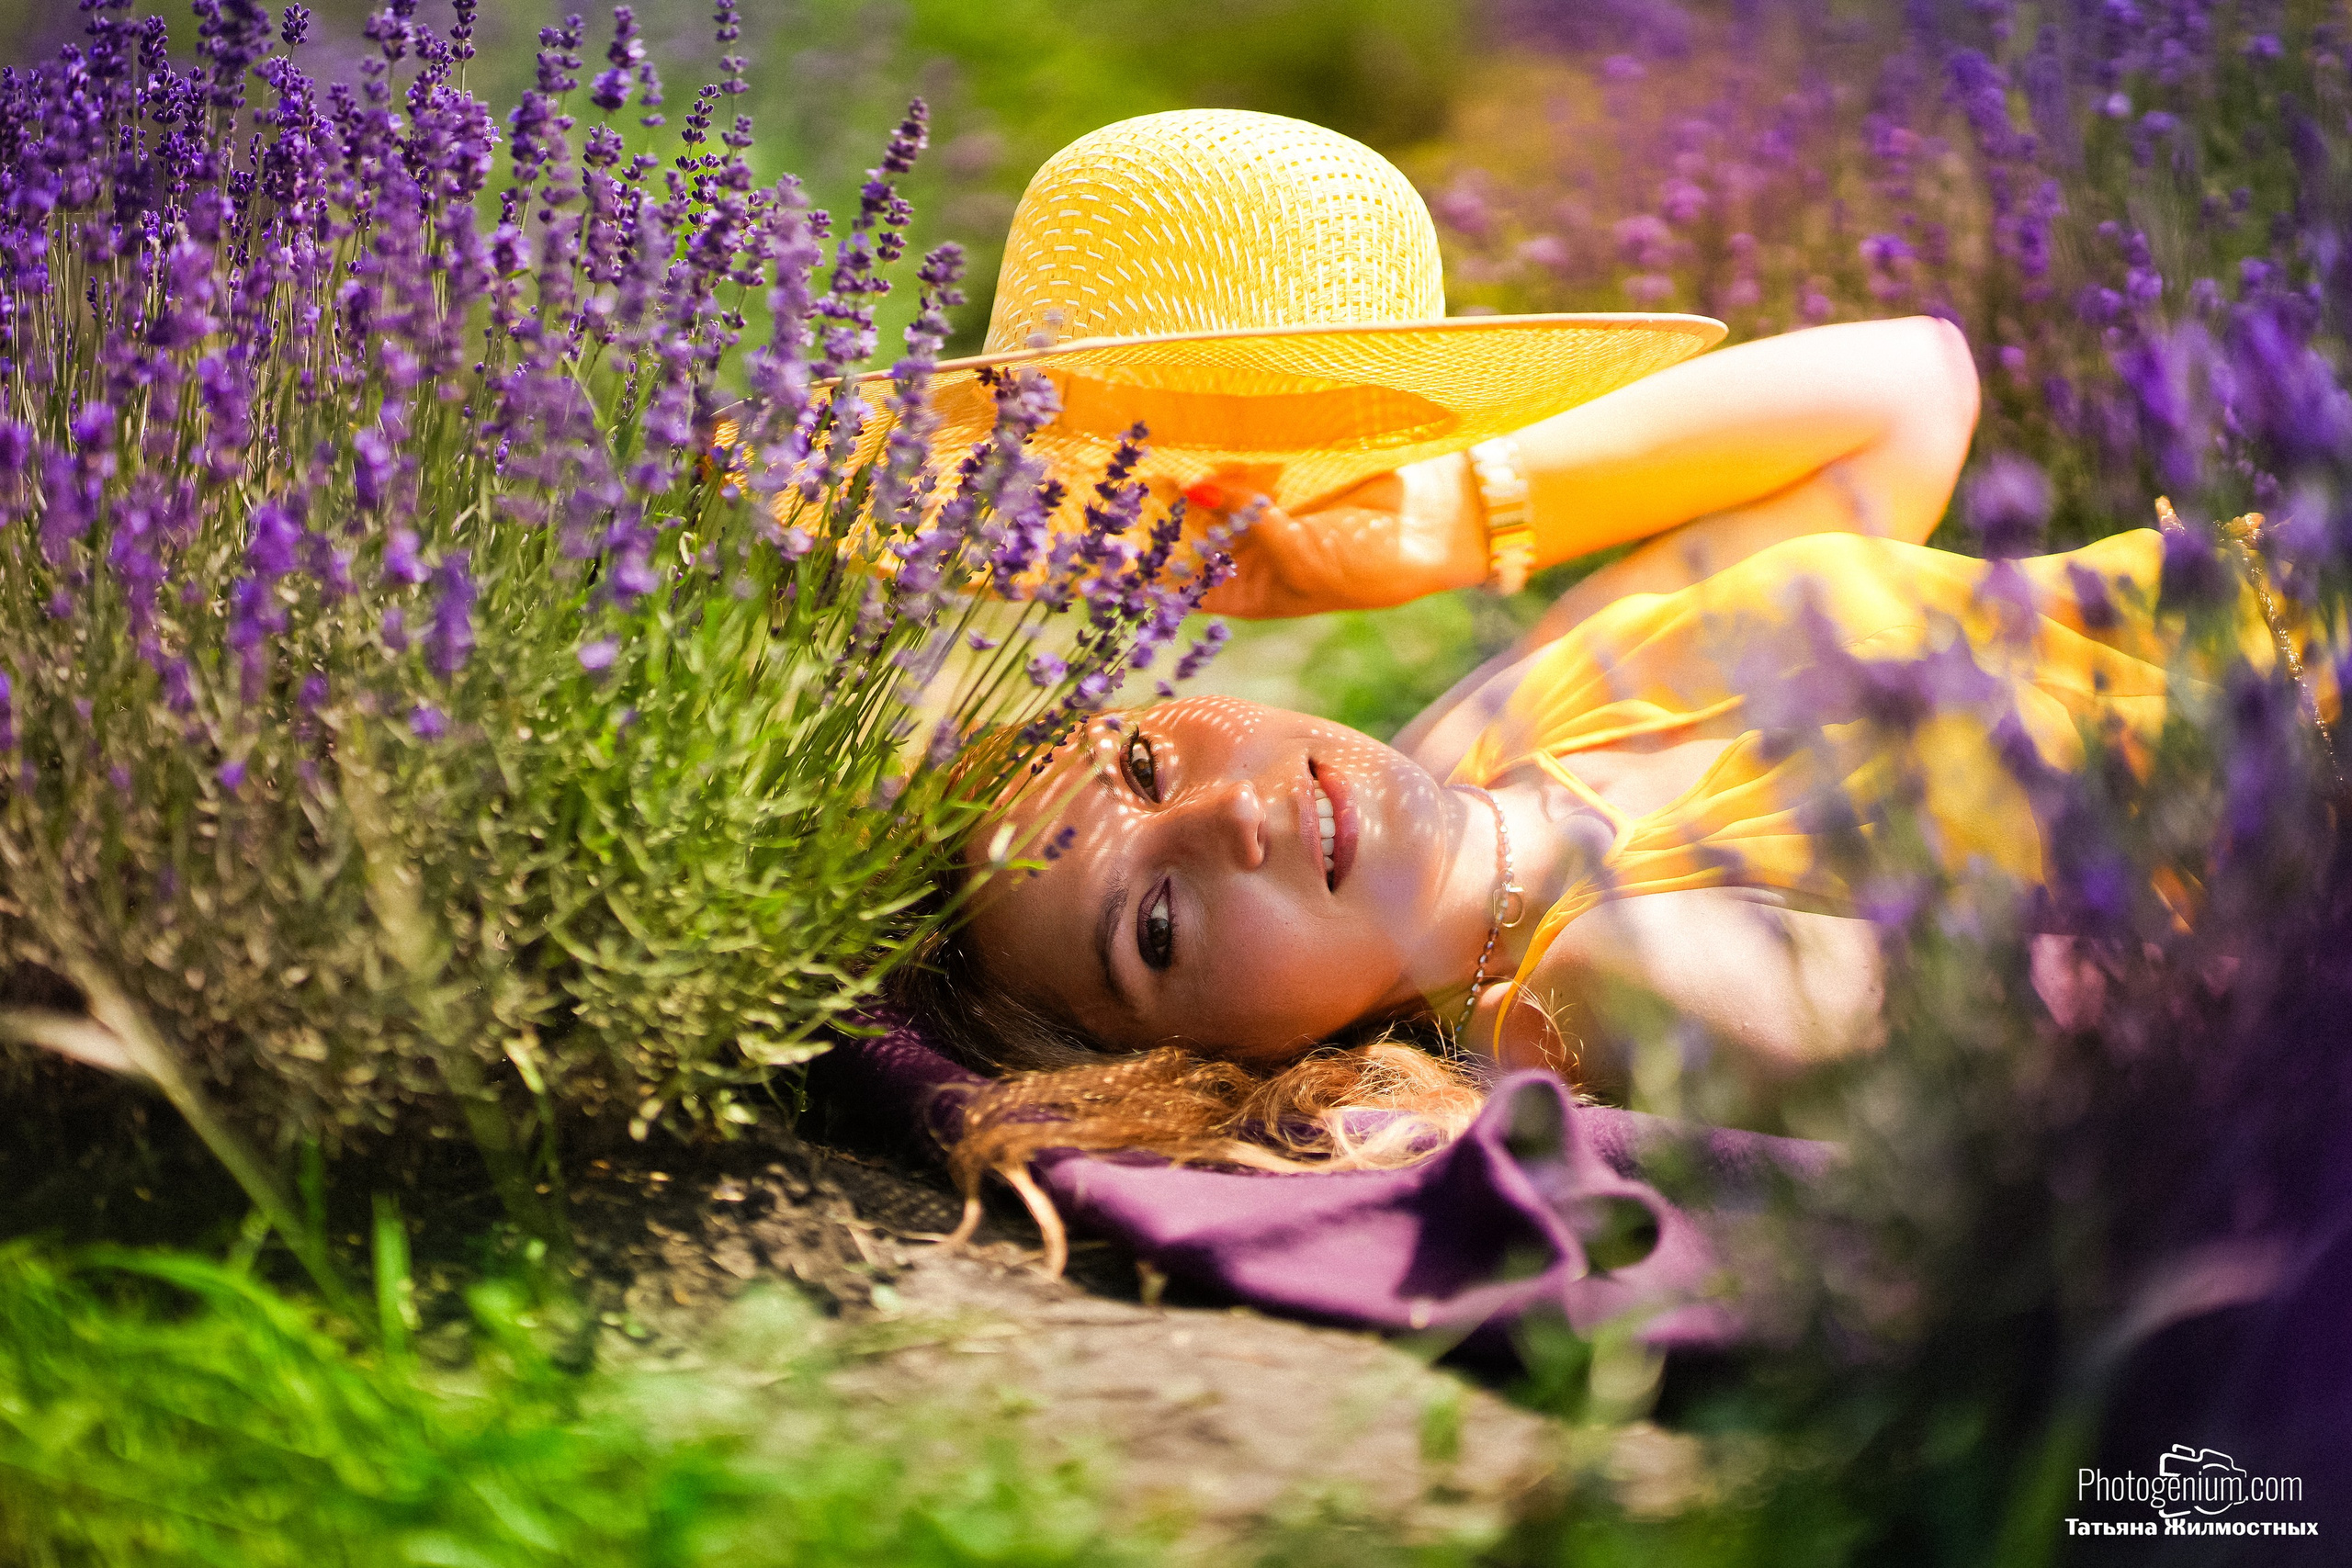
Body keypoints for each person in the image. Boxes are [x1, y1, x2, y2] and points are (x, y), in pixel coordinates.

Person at [879, 111, 2335, 1236]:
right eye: (1155, 924)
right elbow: (2175, 1045)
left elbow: (1906, 390)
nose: (1222, 820)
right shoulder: (1615, 975)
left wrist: (1410, 534)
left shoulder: (1495, 739)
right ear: (1205, 1062)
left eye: (1143, 762)